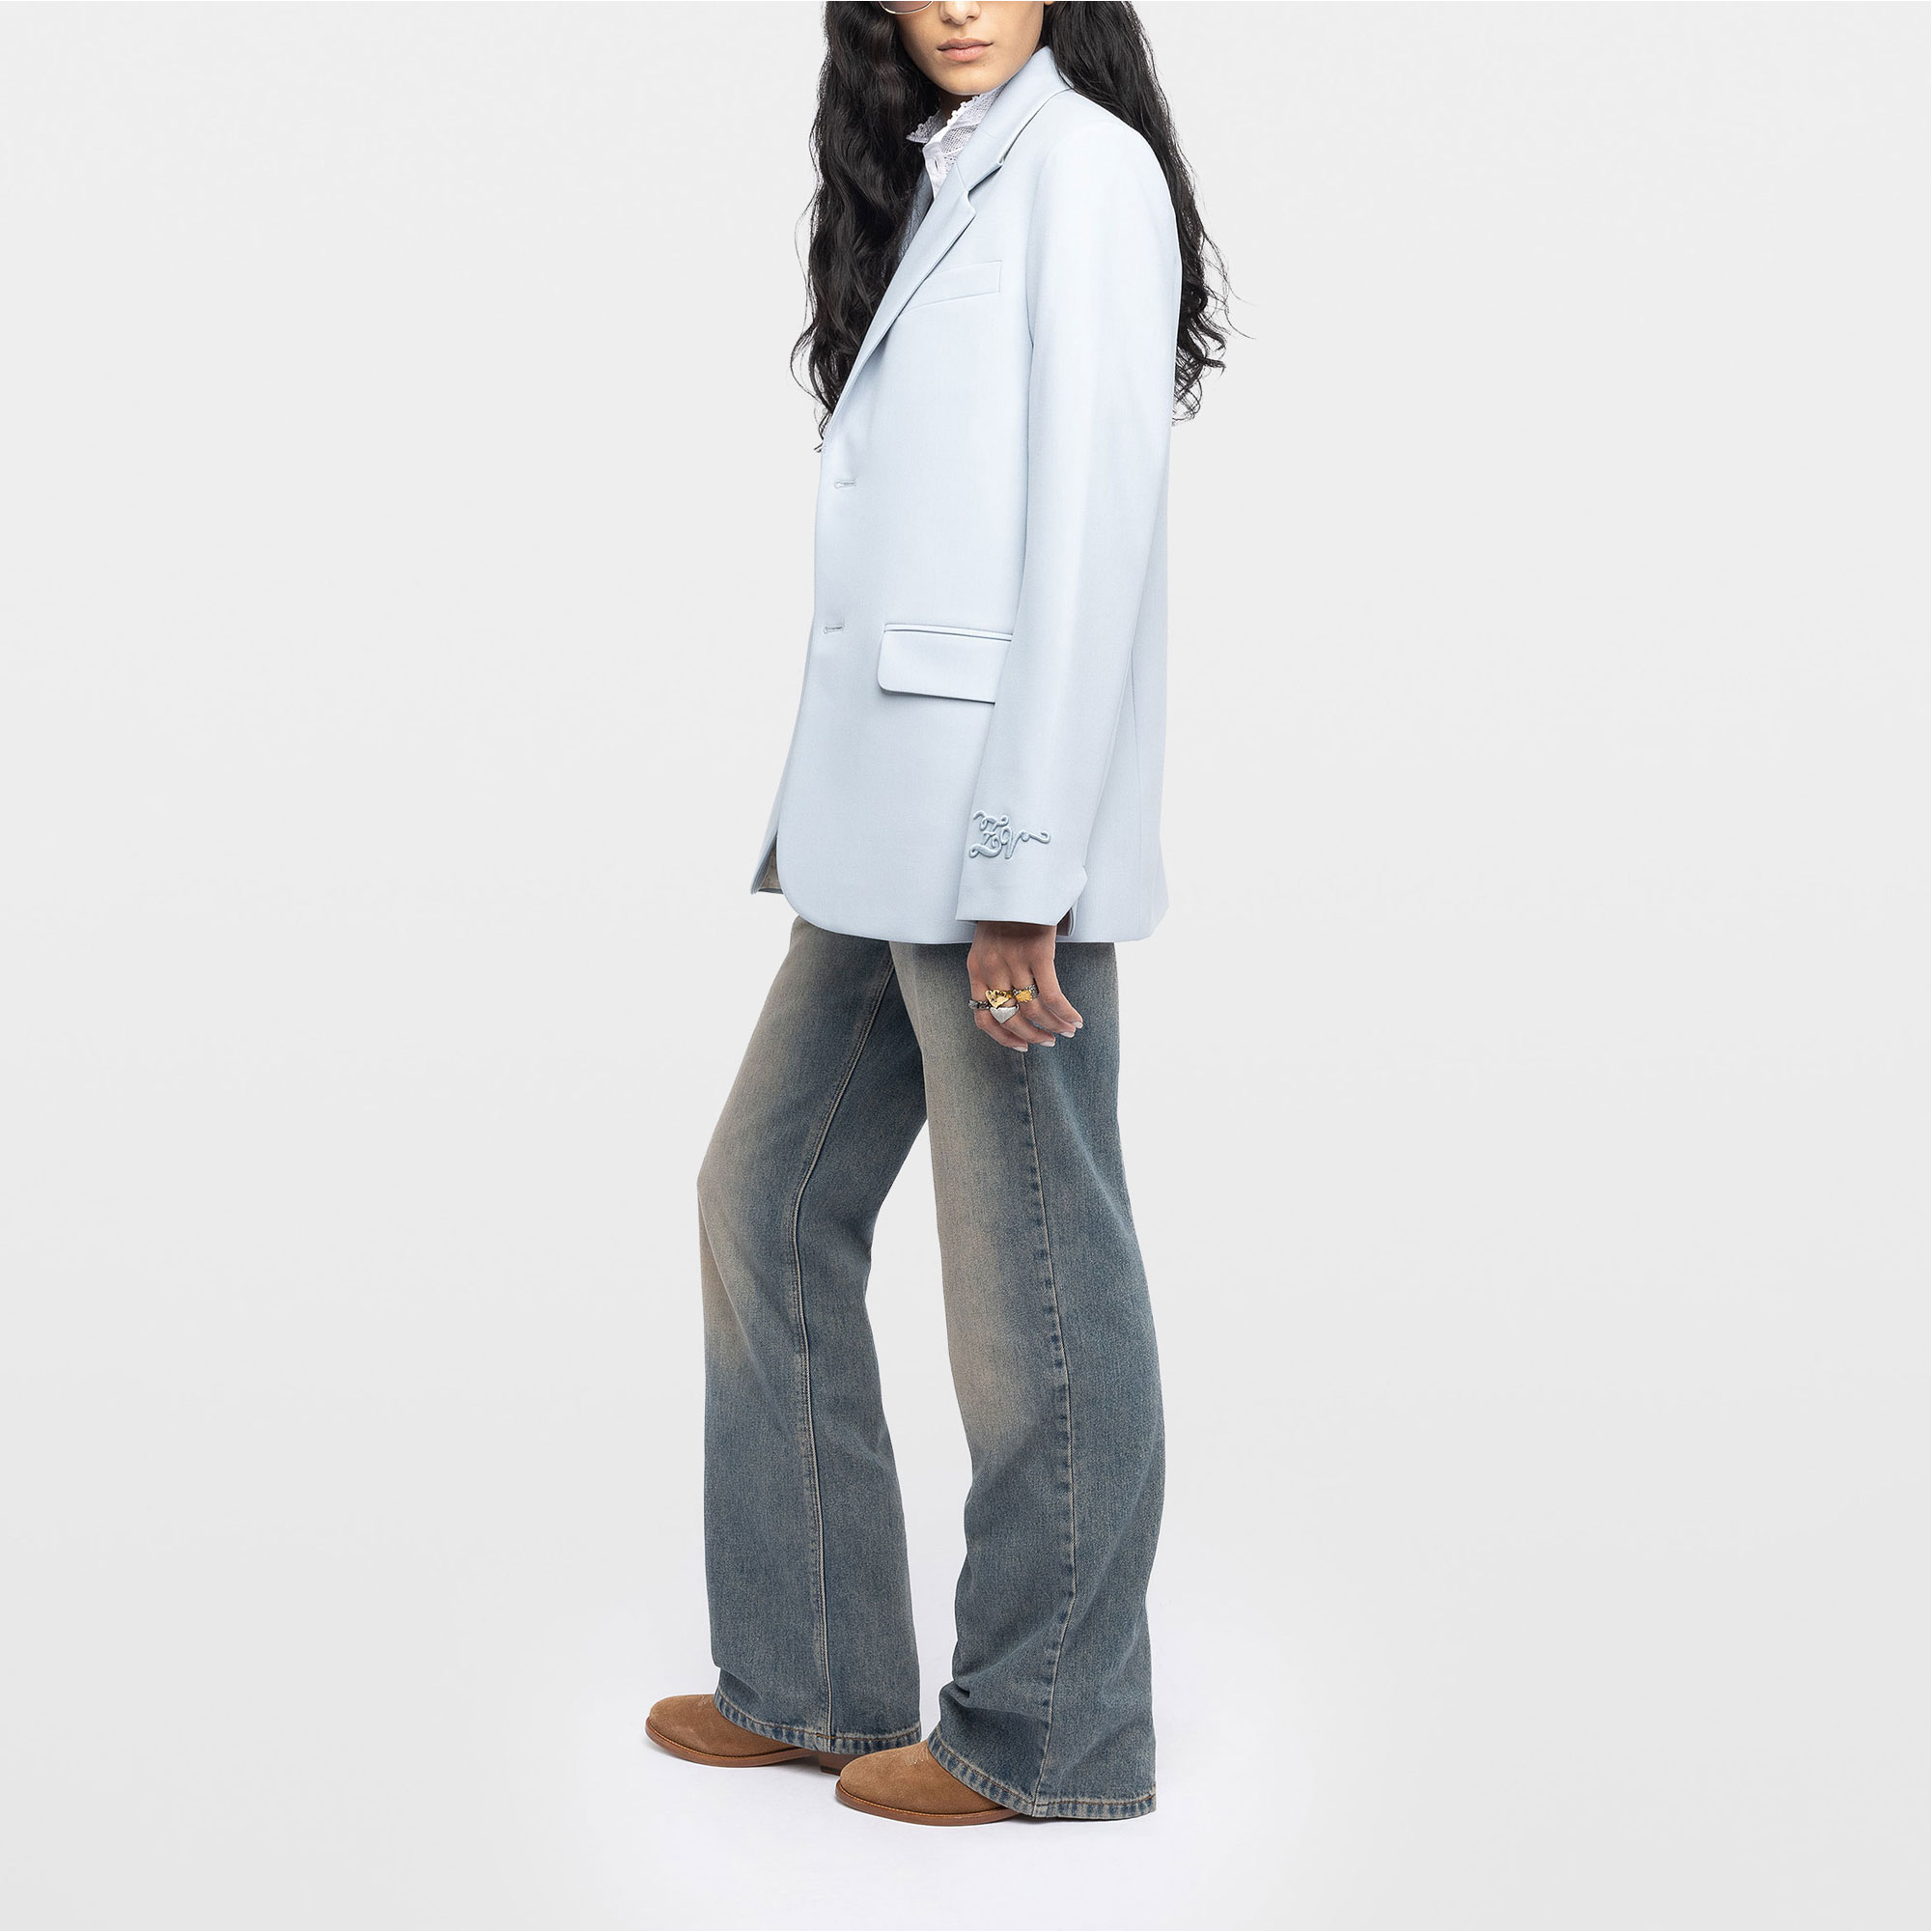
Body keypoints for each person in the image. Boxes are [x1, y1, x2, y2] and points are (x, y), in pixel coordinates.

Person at [648, 0, 1226, 1827]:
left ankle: (1051, 1729)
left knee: (1033, 1273)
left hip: (989, 846)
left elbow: (1089, 539)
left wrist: (1022, 875)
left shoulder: (1089, 174)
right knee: (762, 1196)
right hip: (878, 833)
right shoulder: (940, 168)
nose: (958, 2)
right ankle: (814, 1674)